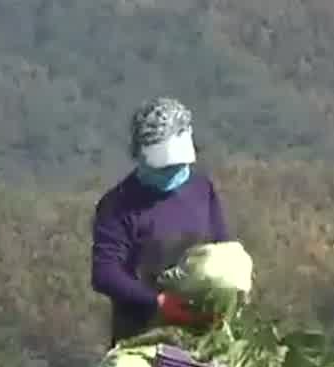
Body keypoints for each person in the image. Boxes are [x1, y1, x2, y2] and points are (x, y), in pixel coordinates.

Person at [91, 96, 232, 347]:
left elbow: (222, 246)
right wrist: (158, 302)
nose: (174, 173)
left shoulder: (202, 189)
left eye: (179, 167)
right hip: (142, 336)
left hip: (204, 329)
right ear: (141, 157)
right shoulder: (118, 206)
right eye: (165, 168)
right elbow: (105, 273)